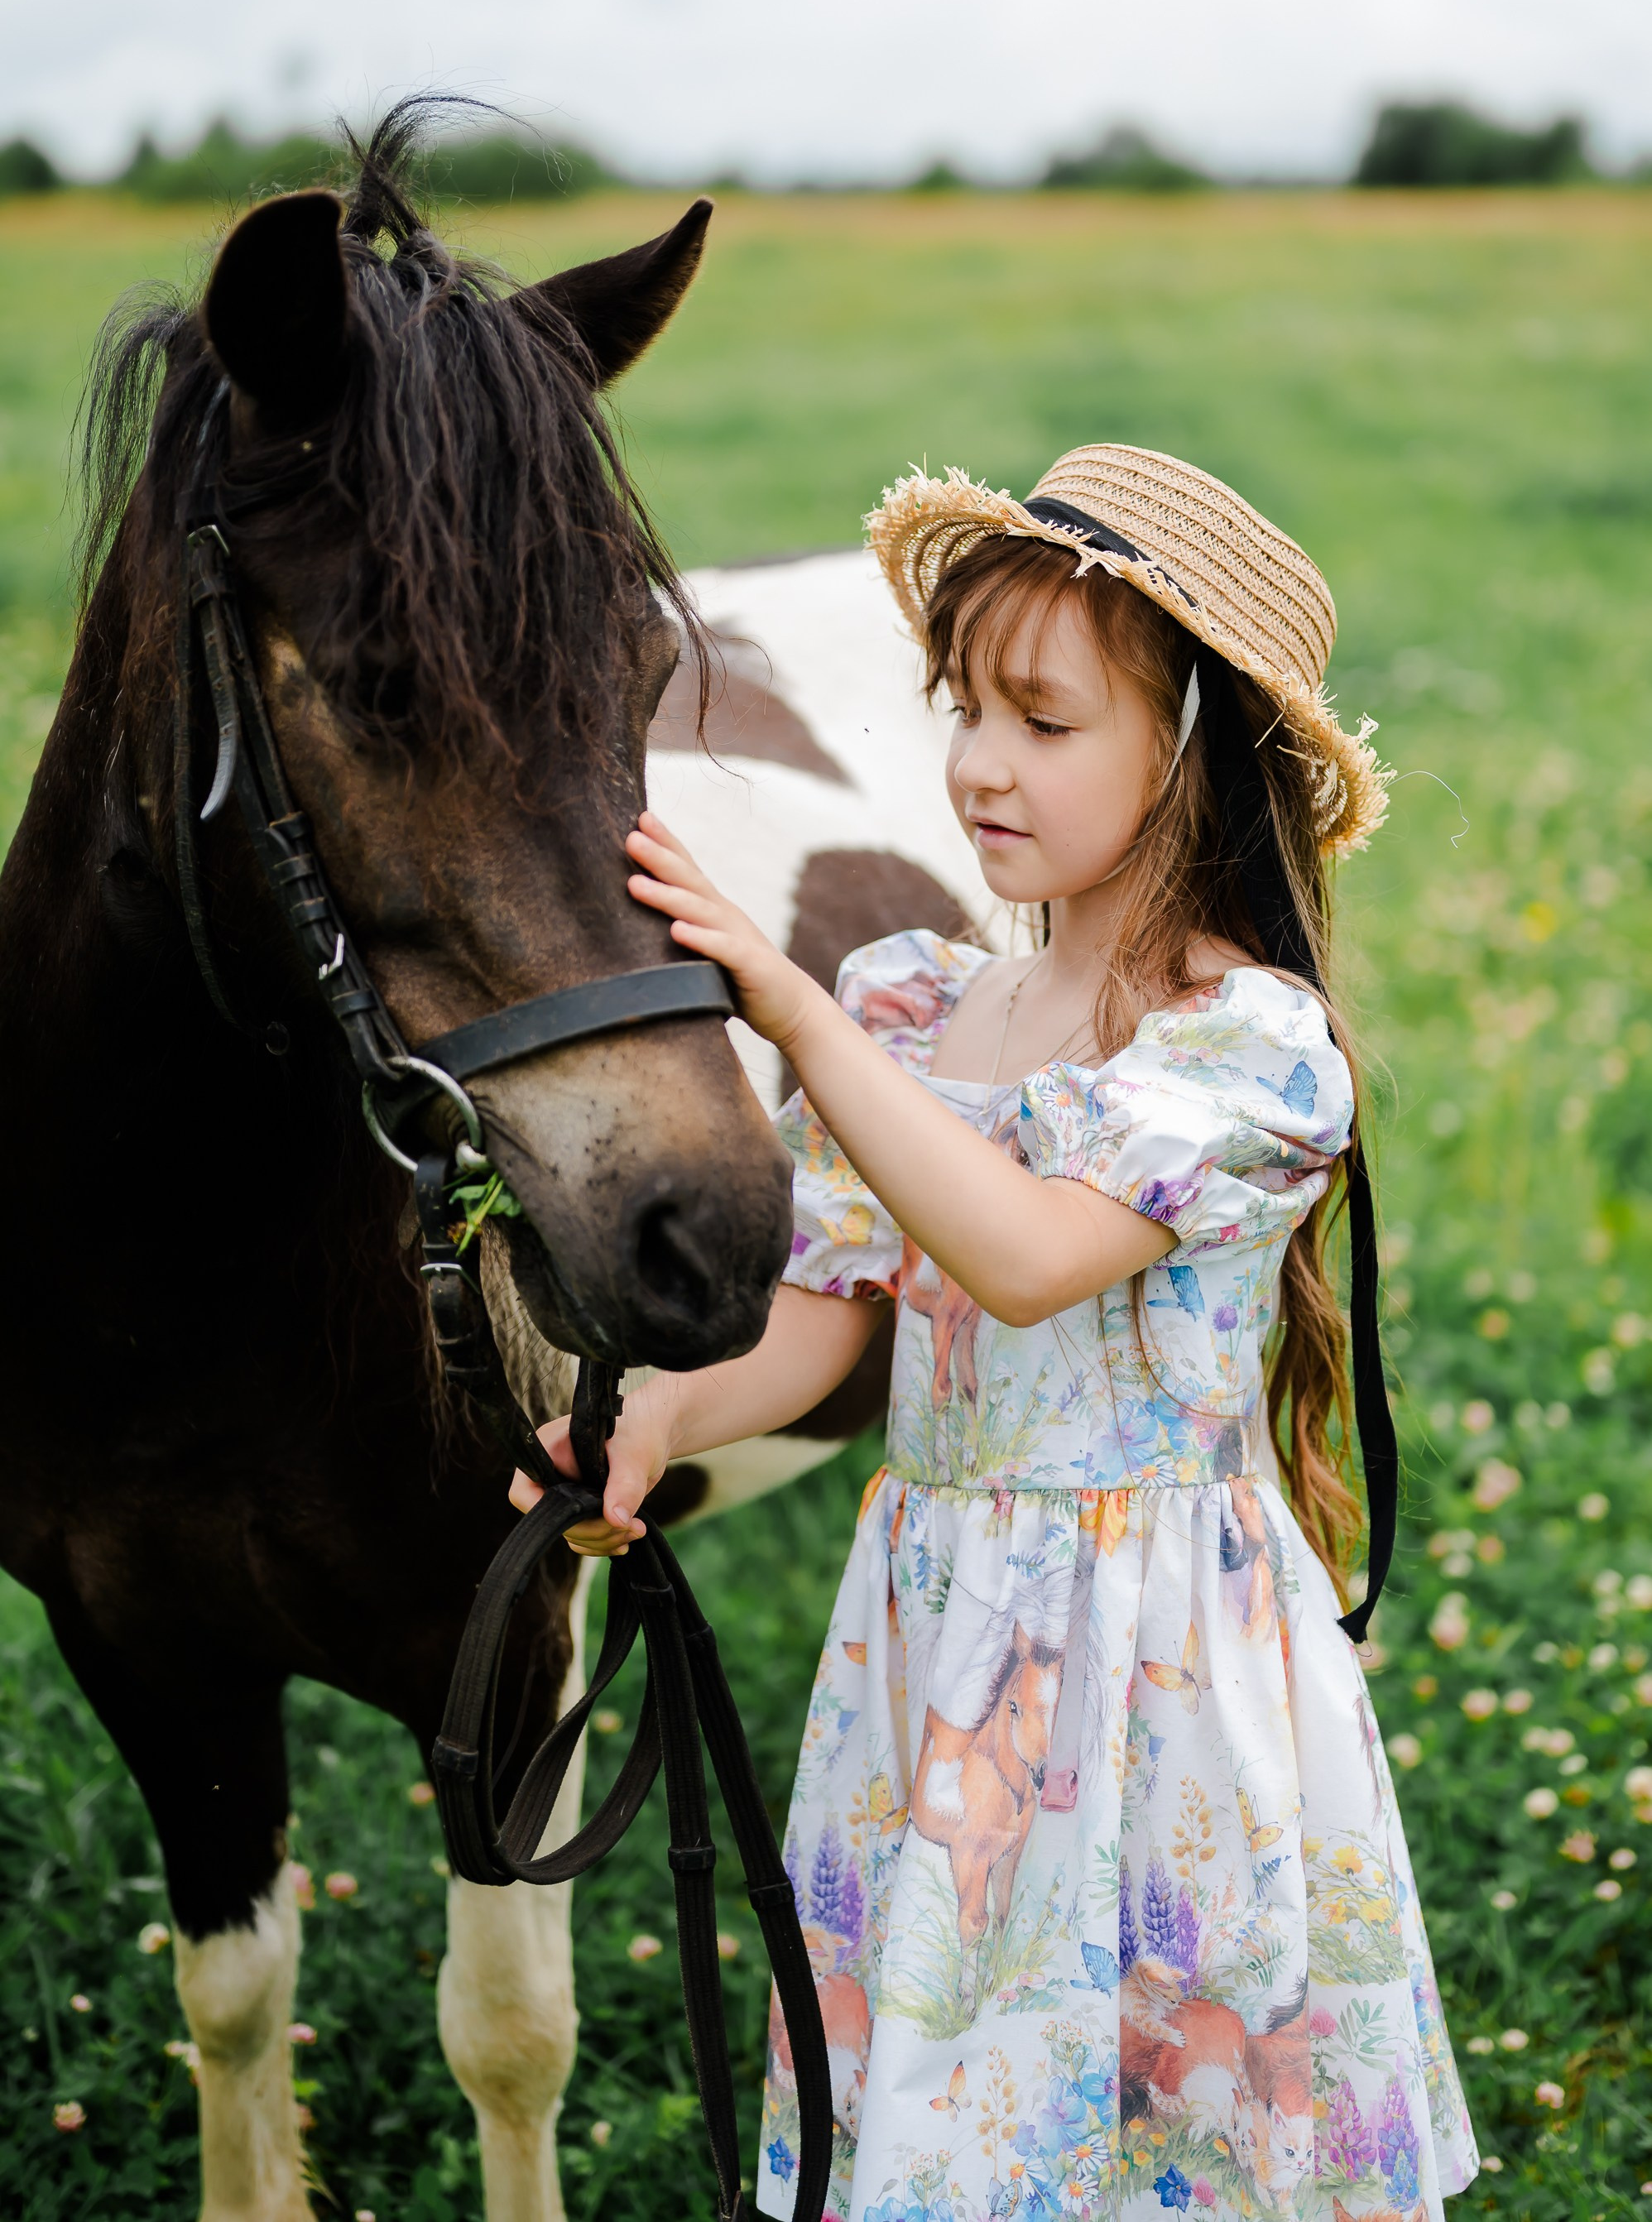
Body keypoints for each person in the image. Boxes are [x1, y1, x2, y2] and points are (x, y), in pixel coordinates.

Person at [516, 445, 1479, 2220]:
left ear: (1191, 750)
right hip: (940, 1646)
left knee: (1170, 2086)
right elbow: (821, 1328)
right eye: (962, 707)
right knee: (957, 2104)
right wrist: (659, 1416)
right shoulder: (918, 1003)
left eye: (1041, 720)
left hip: (1158, 1656)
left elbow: (1026, 1256)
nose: (974, 764)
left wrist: (796, 1019)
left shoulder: (1246, 1050)